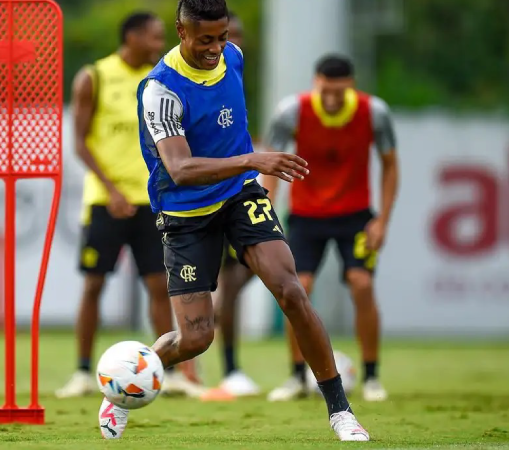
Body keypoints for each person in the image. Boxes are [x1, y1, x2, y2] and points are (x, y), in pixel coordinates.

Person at [98, 0, 369, 441]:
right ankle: (125, 380)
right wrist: (251, 158)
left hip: (240, 195)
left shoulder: (233, 58)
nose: (217, 48)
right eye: (206, 39)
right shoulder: (160, 90)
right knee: (195, 338)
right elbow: (180, 169)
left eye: (223, 37)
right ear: (181, 31)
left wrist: (248, 169)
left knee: (291, 291)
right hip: (185, 213)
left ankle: (341, 411)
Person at [57, 11, 203, 399]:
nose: (160, 45)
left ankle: (166, 372)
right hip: (107, 202)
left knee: (159, 285)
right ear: (132, 37)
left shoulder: (163, 78)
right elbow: (80, 142)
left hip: (152, 203)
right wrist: (112, 189)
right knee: (94, 284)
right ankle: (83, 372)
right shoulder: (95, 77)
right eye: (154, 38)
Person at [264, 54, 398, 403]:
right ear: (316, 83)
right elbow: (270, 162)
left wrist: (382, 219)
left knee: (361, 283)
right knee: (297, 288)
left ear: (350, 86)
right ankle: (296, 377)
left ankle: (371, 376)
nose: (334, 98)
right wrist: (266, 210)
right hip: (306, 216)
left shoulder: (374, 113)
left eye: (340, 91)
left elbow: (390, 165)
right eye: (327, 90)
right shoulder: (292, 112)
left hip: (355, 216)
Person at [199, 9, 262, 401]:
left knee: (243, 278)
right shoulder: (184, 78)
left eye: (233, 36)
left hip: (239, 193)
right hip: (203, 198)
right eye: (224, 36)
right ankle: (226, 366)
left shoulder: (234, 71)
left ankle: (231, 366)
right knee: (213, 285)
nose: (228, 44)